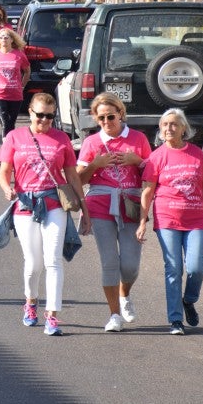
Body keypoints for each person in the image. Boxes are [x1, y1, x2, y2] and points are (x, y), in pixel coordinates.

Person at [0, 93, 91, 337]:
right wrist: (7, 188)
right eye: (40, 116)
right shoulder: (14, 137)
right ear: (30, 112)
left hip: (54, 203)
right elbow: (4, 171)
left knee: (53, 261)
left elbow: (71, 175)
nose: (45, 121)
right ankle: (30, 301)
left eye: (50, 116)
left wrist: (84, 207)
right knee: (33, 263)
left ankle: (53, 315)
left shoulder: (61, 139)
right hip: (25, 204)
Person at [136, 108, 203, 336]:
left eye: (174, 124)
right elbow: (147, 192)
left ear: (183, 128)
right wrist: (143, 221)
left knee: (196, 268)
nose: (168, 129)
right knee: (173, 269)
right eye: (164, 125)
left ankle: (189, 300)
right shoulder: (157, 157)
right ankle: (175, 320)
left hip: (196, 220)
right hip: (167, 220)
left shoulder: (196, 154)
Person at [77, 93, 152, 332]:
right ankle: (114, 315)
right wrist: (95, 165)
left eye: (111, 116)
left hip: (130, 203)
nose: (107, 122)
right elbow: (78, 180)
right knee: (109, 262)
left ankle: (124, 294)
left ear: (121, 113)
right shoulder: (91, 143)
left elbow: (152, 176)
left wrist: (137, 160)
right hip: (99, 204)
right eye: (101, 118)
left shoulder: (138, 138)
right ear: (96, 119)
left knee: (130, 266)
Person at [0, 29, 30, 138]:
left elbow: (27, 71)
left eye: (6, 37)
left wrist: (22, 85)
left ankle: (10, 144)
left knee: (11, 123)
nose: (3, 39)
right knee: (4, 121)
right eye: (1, 37)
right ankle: (6, 145)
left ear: (12, 40)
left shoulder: (19, 55)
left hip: (15, 95)